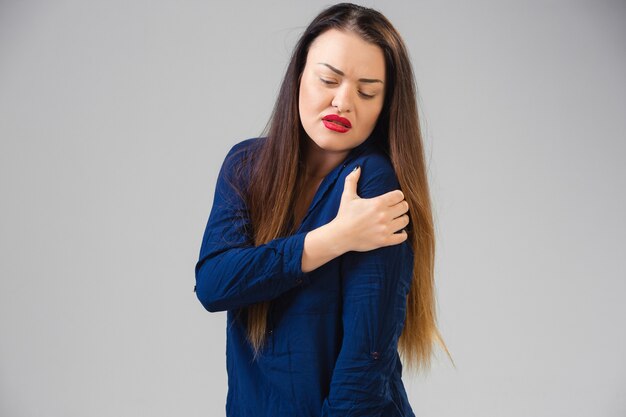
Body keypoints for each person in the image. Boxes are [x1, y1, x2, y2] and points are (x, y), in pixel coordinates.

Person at [194, 3, 453, 416]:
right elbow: (213, 284)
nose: (343, 102)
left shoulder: (374, 184)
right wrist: (334, 238)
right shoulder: (245, 166)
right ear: (299, 77)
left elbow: (364, 369)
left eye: (367, 91)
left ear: (385, 106)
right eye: (328, 79)